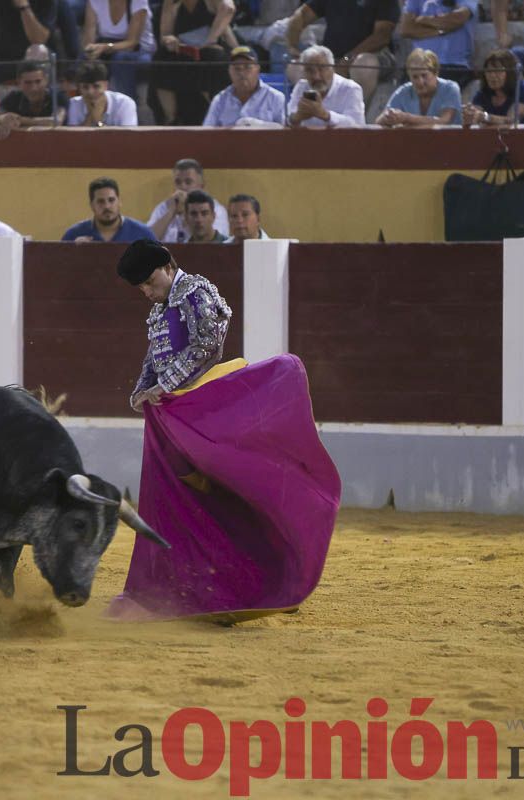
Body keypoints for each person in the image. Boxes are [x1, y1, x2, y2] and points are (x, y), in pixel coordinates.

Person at [105, 239, 340, 623]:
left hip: (203, 404)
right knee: (178, 498)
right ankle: (188, 589)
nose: (147, 292)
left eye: (150, 282)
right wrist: (140, 390)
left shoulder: (196, 290)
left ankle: (258, 578)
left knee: (210, 491)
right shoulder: (162, 306)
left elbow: (206, 345)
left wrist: (163, 387)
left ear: (167, 265)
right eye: (141, 288)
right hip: (175, 410)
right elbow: (155, 355)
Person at [284, 0, 399, 105]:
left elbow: (382, 36)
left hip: (374, 56)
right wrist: (292, 46)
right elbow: (302, 15)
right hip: (332, 58)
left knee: (364, 65)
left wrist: (347, 59)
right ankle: (313, 112)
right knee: (295, 67)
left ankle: (354, 114)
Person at [150, 0, 237, 125]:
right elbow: (164, 35)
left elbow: (229, 8)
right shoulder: (170, 3)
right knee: (161, 57)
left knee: (211, 57)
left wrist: (210, 40)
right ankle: (171, 118)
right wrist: (169, 40)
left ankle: (217, 116)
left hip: (213, 47)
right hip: (184, 49)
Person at [0, 0, 56, 83]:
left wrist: (24, 8)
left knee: (38, 49)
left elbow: (39, 39)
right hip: (1, 61)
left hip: (31, 61)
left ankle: (32, 95)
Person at [80, 0, 154, 99]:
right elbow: (89, 39)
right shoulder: (95, 2)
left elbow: (132, 42)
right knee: (84, 58)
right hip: (106, 48)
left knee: (121, 59)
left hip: (140, 51)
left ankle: (126, 104)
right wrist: (91, 50)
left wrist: (105, 47)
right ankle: (86, 105)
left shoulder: (138, 2)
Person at [146, 158, 228, 244]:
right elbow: (147, 241)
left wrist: (186, 215)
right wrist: (170, 212)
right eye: (178, 182)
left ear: (201, 186)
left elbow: (213, 242)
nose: (182, 187)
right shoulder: (164, 208)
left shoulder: (215, 209)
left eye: (188, 182)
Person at [202, 44, 286, 127]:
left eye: (247, 67)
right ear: (229, 71)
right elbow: (207, 132)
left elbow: (284, 133)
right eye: (236, 68)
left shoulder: (275, 97)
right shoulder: (220, 100)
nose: (241, 73)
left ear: (257, 68)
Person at [397, 0, 477, 87]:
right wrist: (441, 31)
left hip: (453, 65)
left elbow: (457, 19)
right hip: (419, 64)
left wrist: (424, 20)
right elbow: (406, 29)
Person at [286, 44, 366, 128]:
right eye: (309, 70)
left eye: (321, 69)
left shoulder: (350, 89)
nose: (316, 76)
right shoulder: (301, 87)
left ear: (332, 68)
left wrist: (325, 115)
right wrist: (297, 117)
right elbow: (288, 119)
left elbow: (357, 124)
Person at [378, 46, 461, 126]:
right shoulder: (403, 91)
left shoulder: (450, 89)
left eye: (424, 75)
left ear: (435, 73)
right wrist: (389, 117)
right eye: (415, 77)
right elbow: (379, 121)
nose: (420, 82)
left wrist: (407, 118)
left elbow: (444, 121)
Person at [0, 59, 67, 138]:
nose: (34, 88)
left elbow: (57, 121)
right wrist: (2, 119)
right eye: (28, 83)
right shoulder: (14, 97)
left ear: (46, 80)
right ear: (19, 83)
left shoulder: (57, 97)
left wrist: (19, 120)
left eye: (38, 82)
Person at [62, 176, 155, 242]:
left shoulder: (143, 234)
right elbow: (58, 267)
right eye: (100, 201)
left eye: (111, 200)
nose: (107, 206)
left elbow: (160, 266)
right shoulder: (73, 235)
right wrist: (73, 252)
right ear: (91, 205)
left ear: (119, 202)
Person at [462, 48, 524, 126]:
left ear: (510, 73)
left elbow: (511, 121)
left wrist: (485, 117)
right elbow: (476, 113)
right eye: (489, 71)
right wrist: (469, 115)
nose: (492, 75)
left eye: (498, 71)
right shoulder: (483, 93)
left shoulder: (522, 90)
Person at [65, 60, 138, 126]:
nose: (90, 92)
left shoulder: (125, 103)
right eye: (85, 87)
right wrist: (90, 116)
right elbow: (75, 138)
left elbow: (128, 138)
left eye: (96, 86)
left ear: (106, 85)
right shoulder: (74, 103)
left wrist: (98, 121)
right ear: (79, 88)